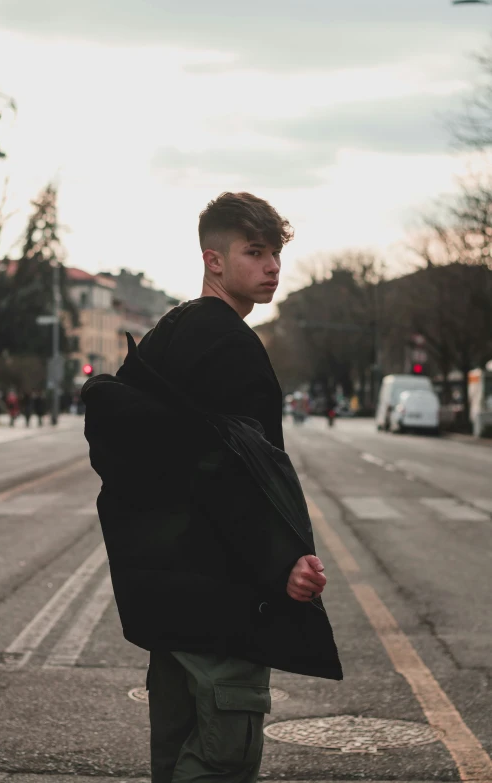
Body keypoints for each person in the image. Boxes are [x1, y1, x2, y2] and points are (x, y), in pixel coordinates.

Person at [81, 192, 341, 783]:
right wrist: (282, 563)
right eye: (255, 252)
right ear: (213, 260)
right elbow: (233, 475)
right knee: (224, 758)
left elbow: (140, 458)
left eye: (275, 252)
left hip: (166, 595)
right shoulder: (231, 346)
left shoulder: (165, 336)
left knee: (174, 756)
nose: (272, 266)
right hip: (224, 598)